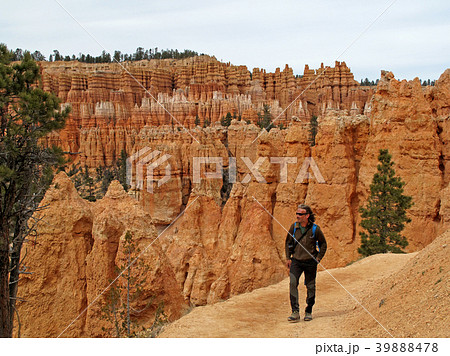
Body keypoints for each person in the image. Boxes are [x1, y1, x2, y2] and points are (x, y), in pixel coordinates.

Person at [285, 204, 327, 322]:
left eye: (300, 214)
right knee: (293, 283)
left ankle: (308, 311)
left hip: (310, 262)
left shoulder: (315, 229)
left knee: (310, 286)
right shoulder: (293, 228)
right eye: (297, 214)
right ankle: (295, 312)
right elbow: (287, 243)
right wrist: (288, 257)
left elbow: (323, 244)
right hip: (296, 261)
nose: (297, 216)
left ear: (307, 216)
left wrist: (318, 258)